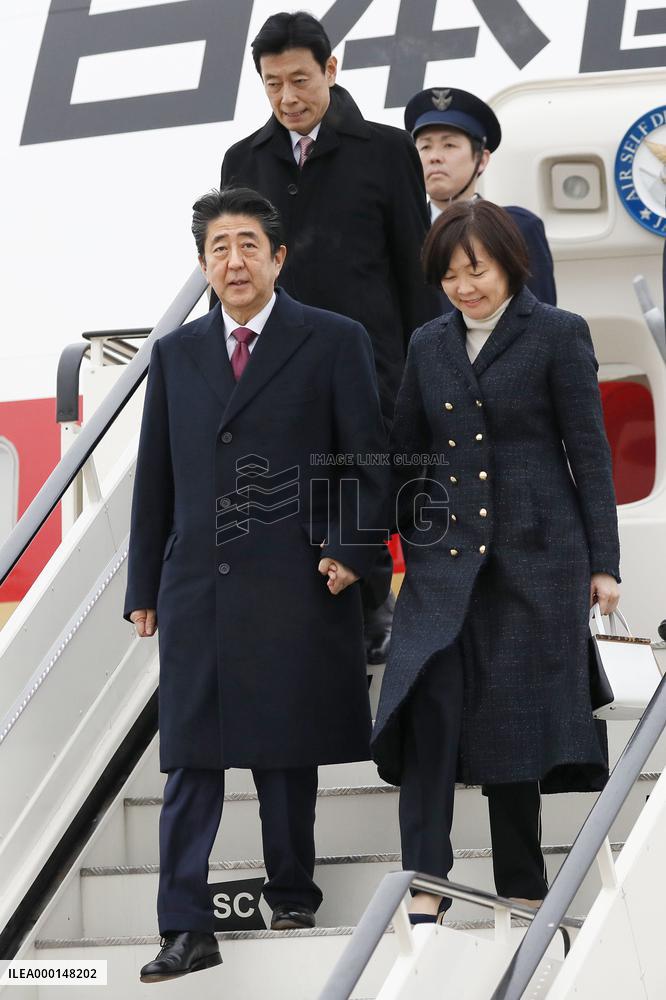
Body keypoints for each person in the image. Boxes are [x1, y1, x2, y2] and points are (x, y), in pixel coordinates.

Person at [124, 186, 389, 982]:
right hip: (198, 585)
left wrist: (352, 549)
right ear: (202, 264)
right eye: (218, 248)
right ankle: (183, 924)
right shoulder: (174, 355)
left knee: (286, 751)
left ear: (278, 256)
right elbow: (156, 482)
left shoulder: (333, 340)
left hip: (298, 576)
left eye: (248, 245)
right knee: (190, 762)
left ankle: (293, 892)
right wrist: (144, 583)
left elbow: (367, 458)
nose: (232, 261)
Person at [371, 200, 620, 921]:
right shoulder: (429, 343)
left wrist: (603, 562)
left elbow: (590, 454)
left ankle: (522, 888)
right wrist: (364, 541)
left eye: (474, 269)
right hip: (444, 561)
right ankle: (427, 882)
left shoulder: (557, 335)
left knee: (514, 729)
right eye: (448, 275)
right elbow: (408, 450)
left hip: (536, 559)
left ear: (509, 261)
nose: (462, 286)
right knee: (424, 709)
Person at [220, 11, 440, 665]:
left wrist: (428, 368)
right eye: (271, 84)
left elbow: (415, 271)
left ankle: (382, 617)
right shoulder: (244, 162)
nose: (287, 98)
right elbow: (229, 278)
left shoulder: (385, 151)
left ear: (330, 70)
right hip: (279, 373)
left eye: (299, 80)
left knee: (374, 491)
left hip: (375, 369)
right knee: (295, 506)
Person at [404, 87, 557, 308]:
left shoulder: (518, 228)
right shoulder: (404, 232)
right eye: (425, 146)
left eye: (449, 145)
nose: (434, 157)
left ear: (482, 159)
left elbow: (543, 320)